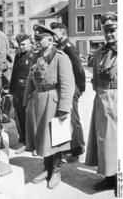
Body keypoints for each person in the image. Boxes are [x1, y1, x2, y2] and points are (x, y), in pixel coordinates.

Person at [23, 24, 75, 189]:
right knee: (42, 137)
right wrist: (26, 101)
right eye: (36, 39)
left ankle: (56, 170)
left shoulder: (61, 57)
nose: (37, 42)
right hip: (38, 100)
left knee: (56, 138)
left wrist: (64, 108)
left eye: (40, 39)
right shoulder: (36, 57)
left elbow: (68, 85)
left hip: (54, 101)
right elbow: (30, 81)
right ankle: (47, 168)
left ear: (51, 39)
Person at [85, 12, 117, 192]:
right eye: (106, 31)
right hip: (102, 99)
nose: (109, 35)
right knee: (104, 140)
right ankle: (109, 176)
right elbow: (95, 77)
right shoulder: (99, 52)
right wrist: (99, 91)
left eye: (113, 30)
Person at [50, 22, 86, 162]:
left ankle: (77, 150)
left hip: (72, 88)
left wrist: (80, 88)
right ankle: (66, 148)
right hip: (64, 87)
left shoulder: (68, 47)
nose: (53, 34)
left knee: (73, 118)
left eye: (55, 32)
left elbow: (79, 68)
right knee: (63, 117)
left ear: (63, 32)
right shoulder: (60, 47)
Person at [9, 34, 35, 154]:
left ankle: (34, 144)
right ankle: (24, 142)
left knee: (31, 117)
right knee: (19, 116)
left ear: (30, 43)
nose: (21, 46)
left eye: (23, 44)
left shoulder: (34, 56)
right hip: (18, 90)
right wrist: (11, 92)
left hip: (29, 90)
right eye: (20, 44)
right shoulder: (18, 55)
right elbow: (14, 74)